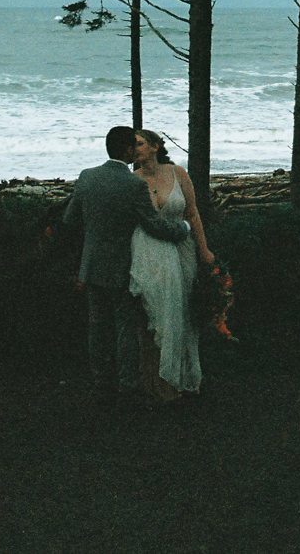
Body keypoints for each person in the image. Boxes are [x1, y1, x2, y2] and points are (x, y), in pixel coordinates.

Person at [63, 126, 190, 407]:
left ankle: (100, 383)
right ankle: (127, 385)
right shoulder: (133, 185)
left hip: (93, 264)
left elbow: (70, 219)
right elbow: (152, 225)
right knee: (124, 329)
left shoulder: (87, 176)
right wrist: (183, 229)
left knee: (97, 327)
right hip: (124, 265)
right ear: (128, 151)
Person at [130, 129, 214, 404]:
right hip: (149, 254)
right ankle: (159, 384)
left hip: (182, 252)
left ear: (155, 146)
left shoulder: (178, 173)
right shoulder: (133, 181)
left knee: (183, 315)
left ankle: (187, 379)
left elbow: (192, 213)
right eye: (133, 145)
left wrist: (203, 250)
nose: (135, 149)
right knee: (157, 315)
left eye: (140, 144)